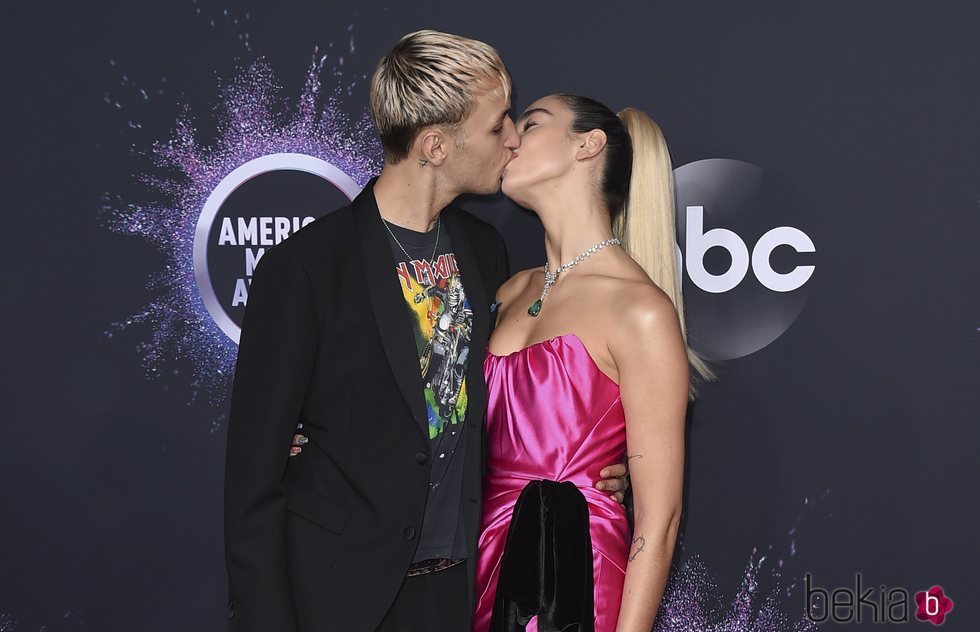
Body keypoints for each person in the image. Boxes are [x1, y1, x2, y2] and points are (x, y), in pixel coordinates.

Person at [224, 31, 628, 632]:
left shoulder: (484, 252)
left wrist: (591, 472)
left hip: (457, 594)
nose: (514, 138)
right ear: (436, 146)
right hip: (335, 597)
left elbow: (499, 403)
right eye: (497, 127)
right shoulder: (307, 268)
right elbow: (251, 486)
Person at [470, 95, 714, 632]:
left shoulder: (640, 309)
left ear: (589, 145)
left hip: (574, 578)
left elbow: (661, 521)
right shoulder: (508, 291)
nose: (510, 137)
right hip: (479, 561)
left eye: (531, 124)